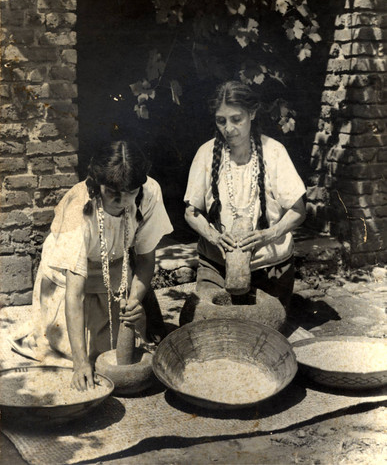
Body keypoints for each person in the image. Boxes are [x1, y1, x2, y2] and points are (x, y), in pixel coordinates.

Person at [10, 138, 173, 390]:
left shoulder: (149, 192)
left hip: (115, 269)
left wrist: (134, 301)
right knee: (79, 352)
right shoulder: (79, 207)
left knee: (125, 347)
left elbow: (145, 258)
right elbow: (74, 295)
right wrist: (80, 363)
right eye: (113, 194)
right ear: (98, 183)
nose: (122, 203)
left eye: (130, 193)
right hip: (66, 280)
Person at [184, 80, 306, 310]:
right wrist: (215, 237)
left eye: (236, 119)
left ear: (252, 113)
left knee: (262, 333)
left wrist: (269, 234)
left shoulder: (274, 152)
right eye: (221, 120)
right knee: (207, 324)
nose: (228, 128)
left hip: (269, 268)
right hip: (216, 266)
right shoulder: (206, 153)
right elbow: (191, 213)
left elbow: (298, 211)